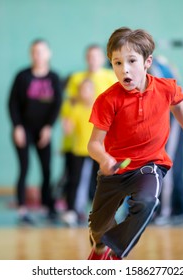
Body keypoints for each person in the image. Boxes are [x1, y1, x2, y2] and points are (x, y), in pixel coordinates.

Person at [87, 27, 183, 260]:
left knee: (146, 202)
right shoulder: (107, 100)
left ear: (147, 62)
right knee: (98, 227)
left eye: (131, 61)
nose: (124, 69)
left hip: (150, 165)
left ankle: (115, 254)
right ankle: (100, 246)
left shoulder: (165, 88)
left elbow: (178, 104)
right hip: (114, 171)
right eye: (117, 63)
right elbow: (93, 144)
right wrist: (104, 158)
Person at [8, 39, 62, 225]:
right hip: (24, 130)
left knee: (47, 170)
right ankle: (22, 209)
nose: (37, 55)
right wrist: (17, 127)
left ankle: (48, 206)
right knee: (24, 169)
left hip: (43, 131)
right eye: (34, 52)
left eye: (41, 51)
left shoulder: (54, 77)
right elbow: (12, 103)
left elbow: (57, 105)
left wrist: (49, 127)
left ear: (48, 53)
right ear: (31, 54)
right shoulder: (22, 76)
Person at [62, 44, 116, 217]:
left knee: (100, 177)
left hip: (103, 139)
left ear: (102, 58)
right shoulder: (77, 78)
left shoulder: (111, 76)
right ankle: (73, 210)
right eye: (89, 56)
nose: (93, 60)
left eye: (96, 56)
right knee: (75, 177)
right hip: (80, 142)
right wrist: (66, 121)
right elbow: (69, 103)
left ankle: (99, 211)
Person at [149, 55, 183, 226]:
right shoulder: (160, 63)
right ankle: (179, 209)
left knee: (167, 164)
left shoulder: (156, 67)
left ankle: (165, 210)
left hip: (171, 115)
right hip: (164, 117)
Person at [61, 78, 95, 227]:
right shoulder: (75, 109)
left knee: (96, 182)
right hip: (79, 150)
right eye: (82, 90)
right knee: (74, 181)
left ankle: (95, 212)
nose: (85, 93)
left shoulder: (98, 107)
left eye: (87, 89)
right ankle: (72, 211)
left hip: (97, 151)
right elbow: (68, 129)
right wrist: (67, 122)